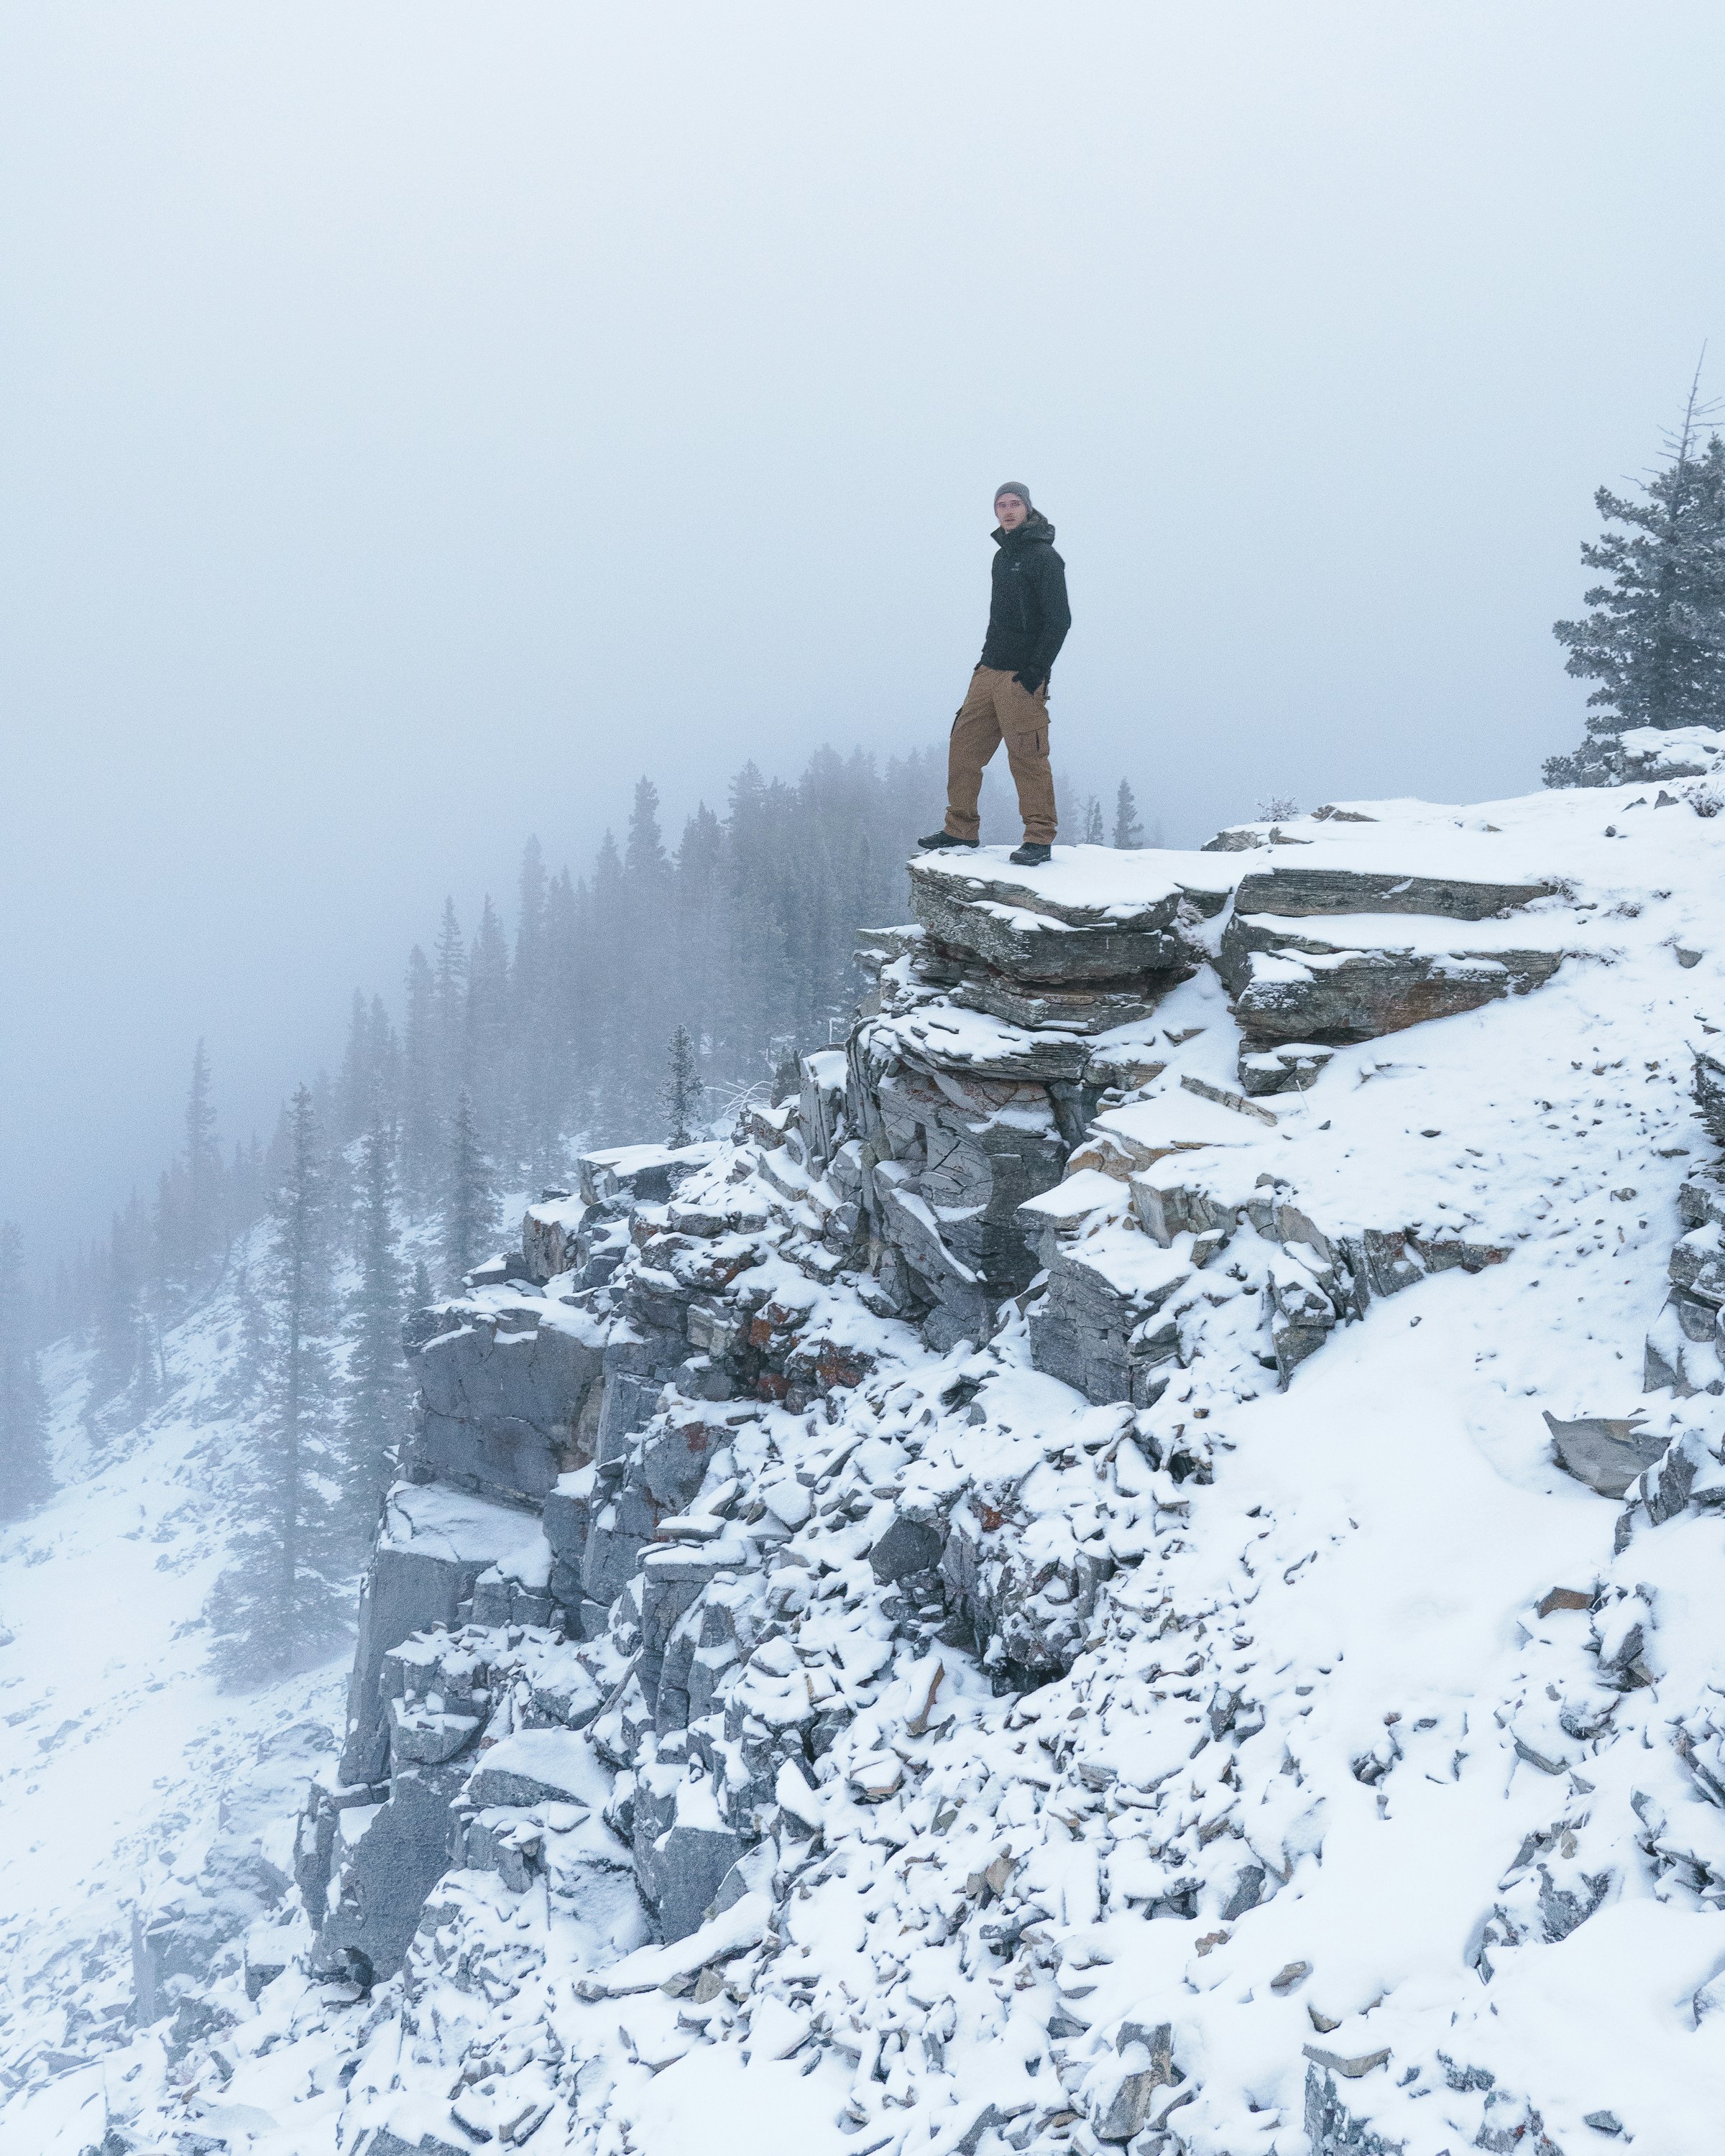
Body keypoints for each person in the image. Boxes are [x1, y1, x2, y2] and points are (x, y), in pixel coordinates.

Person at [919, 483, 1071, 868]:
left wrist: (1035, 673)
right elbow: (999, 619)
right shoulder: (1001, 558)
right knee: (964, 750)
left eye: (1014, 504)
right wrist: (982, 664)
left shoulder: (1044, 557)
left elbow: (1059, 621)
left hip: (1022, 676)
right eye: (1000, 505)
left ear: (1028, 509)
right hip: (988, 672)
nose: (1007, 511)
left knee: (1027, 758)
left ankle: (1038, 838)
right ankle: (960, 830)